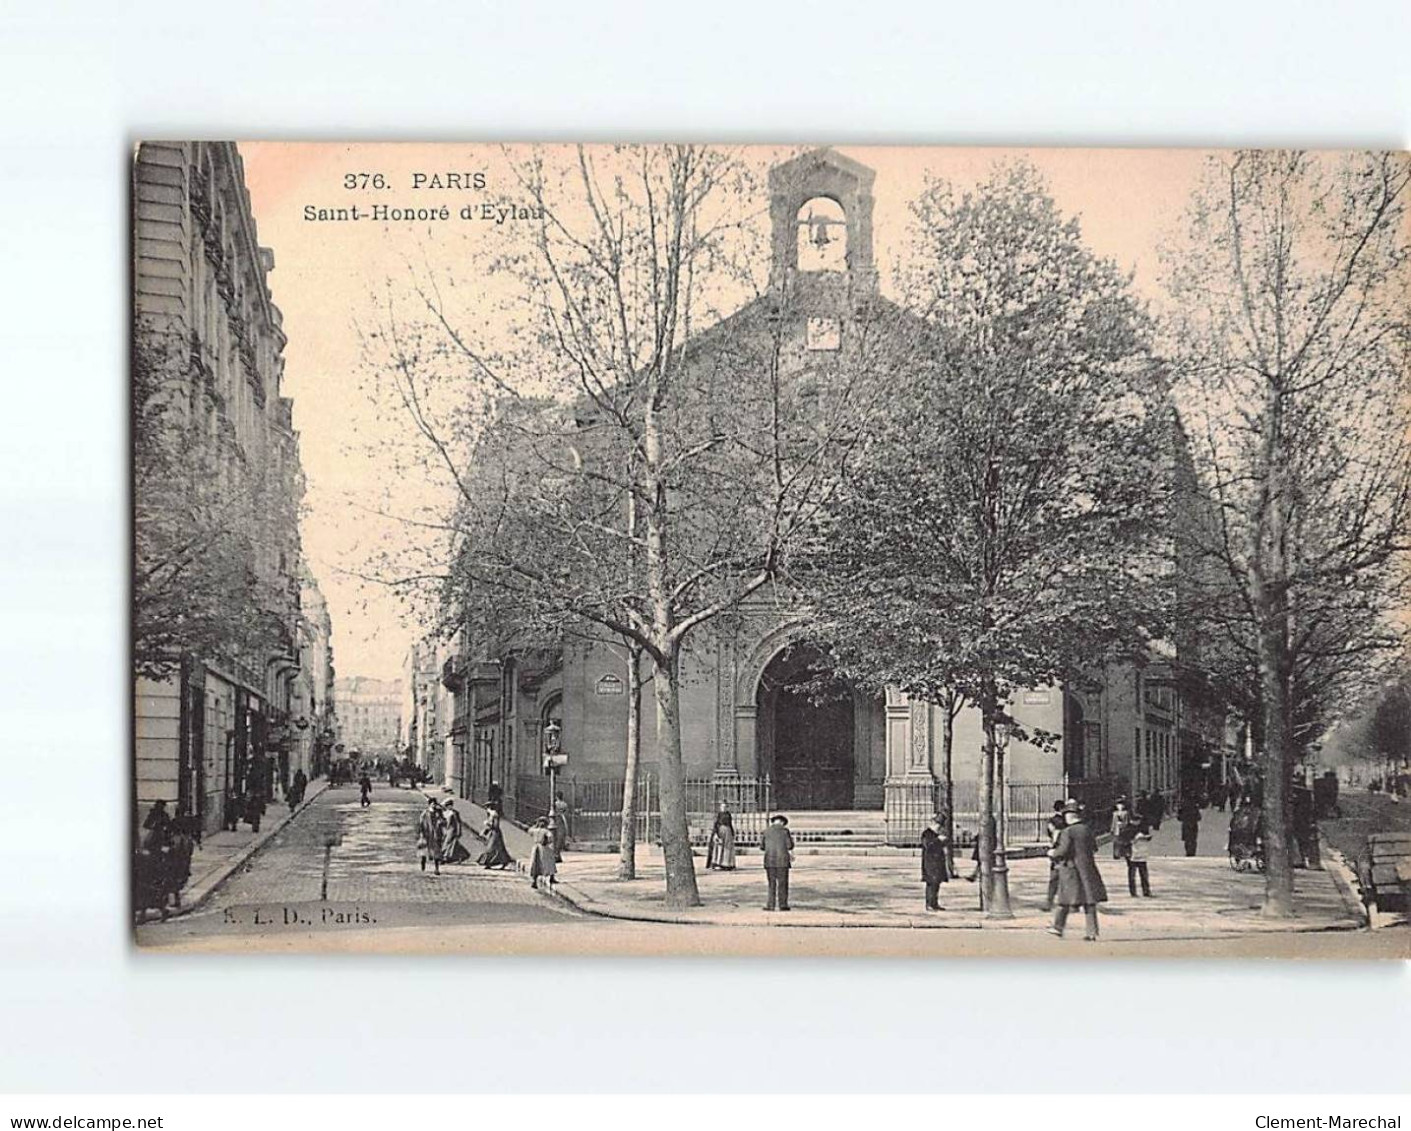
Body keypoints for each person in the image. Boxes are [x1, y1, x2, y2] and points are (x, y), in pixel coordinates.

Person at [1046, 799, 1109, 941]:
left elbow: (1062, 851)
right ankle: (1092, 932)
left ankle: (1058, 927)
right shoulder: (1087, 829)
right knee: (1089, 901)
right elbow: (1094, 847)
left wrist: (1052, 853)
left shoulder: (1068, 832)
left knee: (1064, 900)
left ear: (1069, 816)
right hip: (1087, 869)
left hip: (1071, 869)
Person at [761, 814, 795, 911]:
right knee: (783, 883)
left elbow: (762, 846)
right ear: (782, 822)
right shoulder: (785, 831)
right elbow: (789, 845)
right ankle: (782, 904)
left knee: (771, 883)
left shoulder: (766, 831)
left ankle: (770, 905)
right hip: (782, 861)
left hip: (769, 860)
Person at [920, 820, 949, 910]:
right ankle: (930, 904)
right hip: (930, 862)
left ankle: (934, 903)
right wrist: (939, 840)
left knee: (936, 883)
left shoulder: (936, 834)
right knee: (931, 883)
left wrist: (943, 841)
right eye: (938, 826)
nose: (939, 828)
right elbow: (929, 846)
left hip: (937, 862)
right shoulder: (927, 834)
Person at [708, 800, 737, 871]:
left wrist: (732, 833)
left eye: (725, 807)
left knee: (728, 848)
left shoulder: (728, 814)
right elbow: (716, 824)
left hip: (728, 832)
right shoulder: (718, 815)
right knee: (719, 847)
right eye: (722, 807)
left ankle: (727, 864)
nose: (724, 808)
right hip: (720, 831)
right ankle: (718, 863)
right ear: (720, 807)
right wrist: (716, 834)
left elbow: (730, 824)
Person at [529, 818, 557, 890]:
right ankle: (551, 877)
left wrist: (535, 826)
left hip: (535, 847)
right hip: (543, 848)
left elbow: (529, 831)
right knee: (550, 861)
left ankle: (534, 881)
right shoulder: (545, 831)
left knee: (535, 863)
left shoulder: (534, 830)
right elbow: (550, 837)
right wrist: (548, 842)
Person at [417, 798, 443, 874]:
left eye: (434, 804)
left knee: (436, 852)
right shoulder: (425, 813)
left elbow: (443, 821)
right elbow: (421, 824)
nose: (433, 805)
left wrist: (440, 822)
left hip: (435, 835)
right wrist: (421, 833)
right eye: (432, 804)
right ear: (429, 805)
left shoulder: (438, 813)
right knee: (425, 851)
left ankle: (436, 869)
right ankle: (423, 862)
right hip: (427, 834)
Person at [1127, 819, 1153, 897]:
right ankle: (1142, 891)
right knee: (1138, 874)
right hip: (1135, 854)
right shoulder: (1130, 829)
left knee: (1139, 874)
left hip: (1139, 854)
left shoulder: (1141, 828)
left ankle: (1141, 891)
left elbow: (1148, 837)